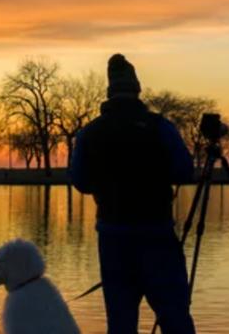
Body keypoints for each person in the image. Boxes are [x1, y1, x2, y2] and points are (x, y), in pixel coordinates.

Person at [69, 54, 196, 334]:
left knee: (121, 323)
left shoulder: (90, 133)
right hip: (157, 234)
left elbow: (80, 181)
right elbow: (185, 171)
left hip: (113, 239)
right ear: (137, 89)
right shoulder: (160, 127)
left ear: (109, 92)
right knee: (174, 316)